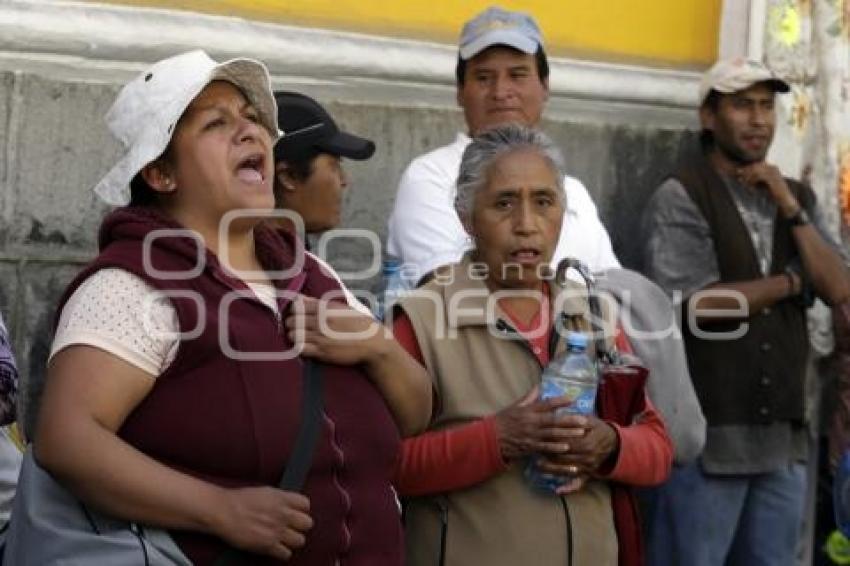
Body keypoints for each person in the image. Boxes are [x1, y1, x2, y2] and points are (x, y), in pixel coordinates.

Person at [31, 50, 431, 565]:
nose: (250, 133)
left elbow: (416, 414)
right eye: (217, 123)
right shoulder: (130, 285)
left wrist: (377, 348)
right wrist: (217, 509)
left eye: (252, 118)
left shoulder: (315, 274)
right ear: (159, 173)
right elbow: (66, 440)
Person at [393, 124, 672, 566]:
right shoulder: (422, 322)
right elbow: (384, 467)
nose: (526, 225)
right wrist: (498, 439)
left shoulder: (594, 315)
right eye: (504, 203)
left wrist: (610, 445)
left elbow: (658, 449)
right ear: (466, 216)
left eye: (543, 202)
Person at [641, 57, 850, 566]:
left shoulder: (793, 197)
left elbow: (840, 285)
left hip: (782, 440)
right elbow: (696, 305)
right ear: (709, 118)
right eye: (741, 105)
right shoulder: (682, 195)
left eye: (765, 106)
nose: (758, 119)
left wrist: (790, 206)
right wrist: (791, 282)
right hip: (711, 437)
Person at [386, 5, 619, 287]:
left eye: (518, 75)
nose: (500, 92)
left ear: (545, 86)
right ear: (460, 92)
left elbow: (616, 293)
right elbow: (450, 290)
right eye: (484, 78)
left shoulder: (574, 192)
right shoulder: (431, 175)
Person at [271, 90, 375, 314]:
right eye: (335, 166)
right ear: (287, 176)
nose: (344, 181)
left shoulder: (308, 270)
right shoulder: (265, 279)